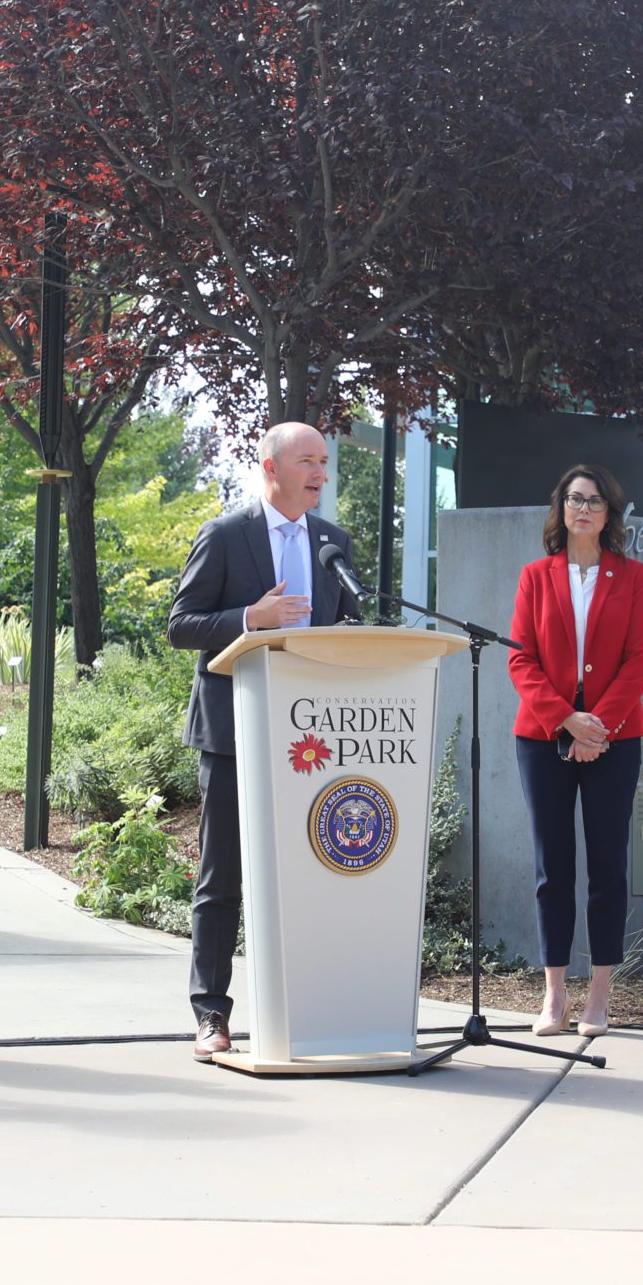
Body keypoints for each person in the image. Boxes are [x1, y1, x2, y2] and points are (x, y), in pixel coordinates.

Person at [166, 422, 364, 1060]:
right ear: (270, 466)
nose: (320, 474)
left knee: (314, 873)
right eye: (308, 461)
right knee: (222, 875)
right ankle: (210, 1014)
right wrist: (252, 617)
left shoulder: (334, 542)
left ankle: (309, 1009)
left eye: (324, 463)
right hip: (234, 732)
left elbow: (350, 627)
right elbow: (182, 625)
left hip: (314, 736)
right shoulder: (227, 535)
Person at [507, 463, 643, 1038]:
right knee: (553, 868)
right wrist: (566, 720)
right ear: (561, 509)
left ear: (608, 513)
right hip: (542, 738)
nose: (583, 509)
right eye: (574, 499)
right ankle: (553, 995)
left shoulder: (634, 576)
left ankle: (599, 995)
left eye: (594, 501)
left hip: (615, 741)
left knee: (607, 866)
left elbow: (639, 657)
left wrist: (599, 728)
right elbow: (520, 657)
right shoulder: (535, 577)